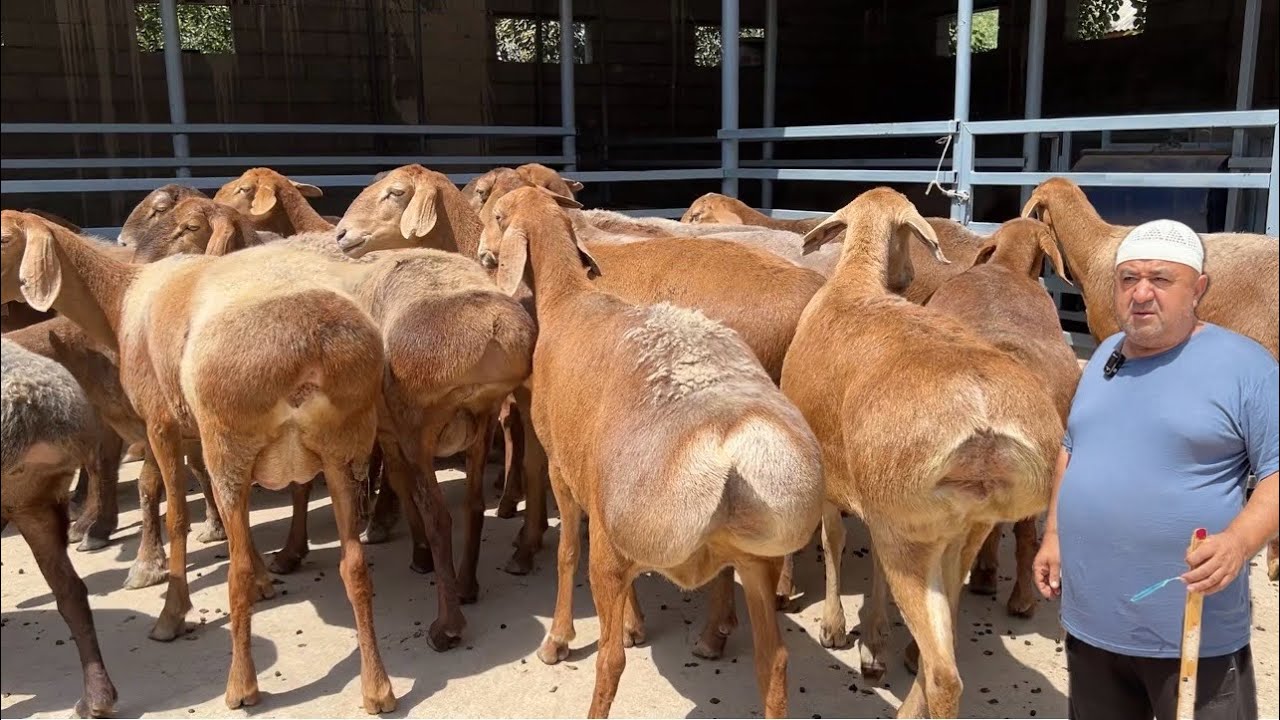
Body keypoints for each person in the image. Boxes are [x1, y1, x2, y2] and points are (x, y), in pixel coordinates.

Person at [1033, 219, 1279, 720]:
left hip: (1192, 635)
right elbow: (1073, 448)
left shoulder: (1247, 367)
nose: (1141, 293)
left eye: (1161, 280)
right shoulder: (1104, 354)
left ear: (1198, 289)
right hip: (1092, 624)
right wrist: (1054, 534)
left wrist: (1238, 543)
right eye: (1128, 279)